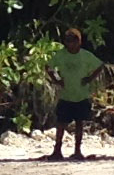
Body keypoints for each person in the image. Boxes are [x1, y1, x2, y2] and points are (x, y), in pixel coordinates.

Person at [44, 26, 103, 160]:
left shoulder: (85, 55)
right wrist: (57, 80)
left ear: (79, 42)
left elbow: (99, 66)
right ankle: (57, 150)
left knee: (79, 123)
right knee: (61, 123)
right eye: (68, 41)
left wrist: (89, 78)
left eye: (73, 41)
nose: (70, 44)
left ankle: (77, 150)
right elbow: (48, 67)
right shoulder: (61, 55)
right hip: (66, 95)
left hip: (82, 95)